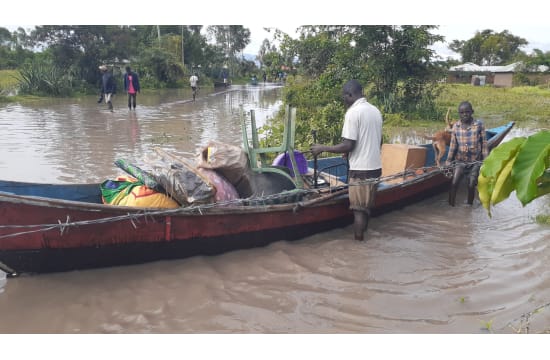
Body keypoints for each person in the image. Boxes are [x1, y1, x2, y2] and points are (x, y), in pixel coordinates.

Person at [311, 80, 383, 241]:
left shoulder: (353, 113)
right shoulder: (375, 111)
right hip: (376, 168)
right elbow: (378, 140)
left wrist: (322, 148)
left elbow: (348, 144)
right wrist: (351, 152)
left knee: (358, 210)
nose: (344, 100)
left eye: (345, 97)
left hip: (360, 171)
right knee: (366, 208)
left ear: (350, 95)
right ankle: (365, 242)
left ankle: (359, 245)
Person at [446, 101, 488, 206]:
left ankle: (469, 206)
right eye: (462, 112)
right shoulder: (456, 126)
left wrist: (486, 160)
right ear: (459, 114)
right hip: (460, 160)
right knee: (454, 182)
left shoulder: (478, 125)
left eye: (467, 112)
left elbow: (484, 144)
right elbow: (453, 145)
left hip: (475, 161)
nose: (465, 114)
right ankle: (451, 205)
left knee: (471, 183)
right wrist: (448, 160)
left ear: (472, 112)